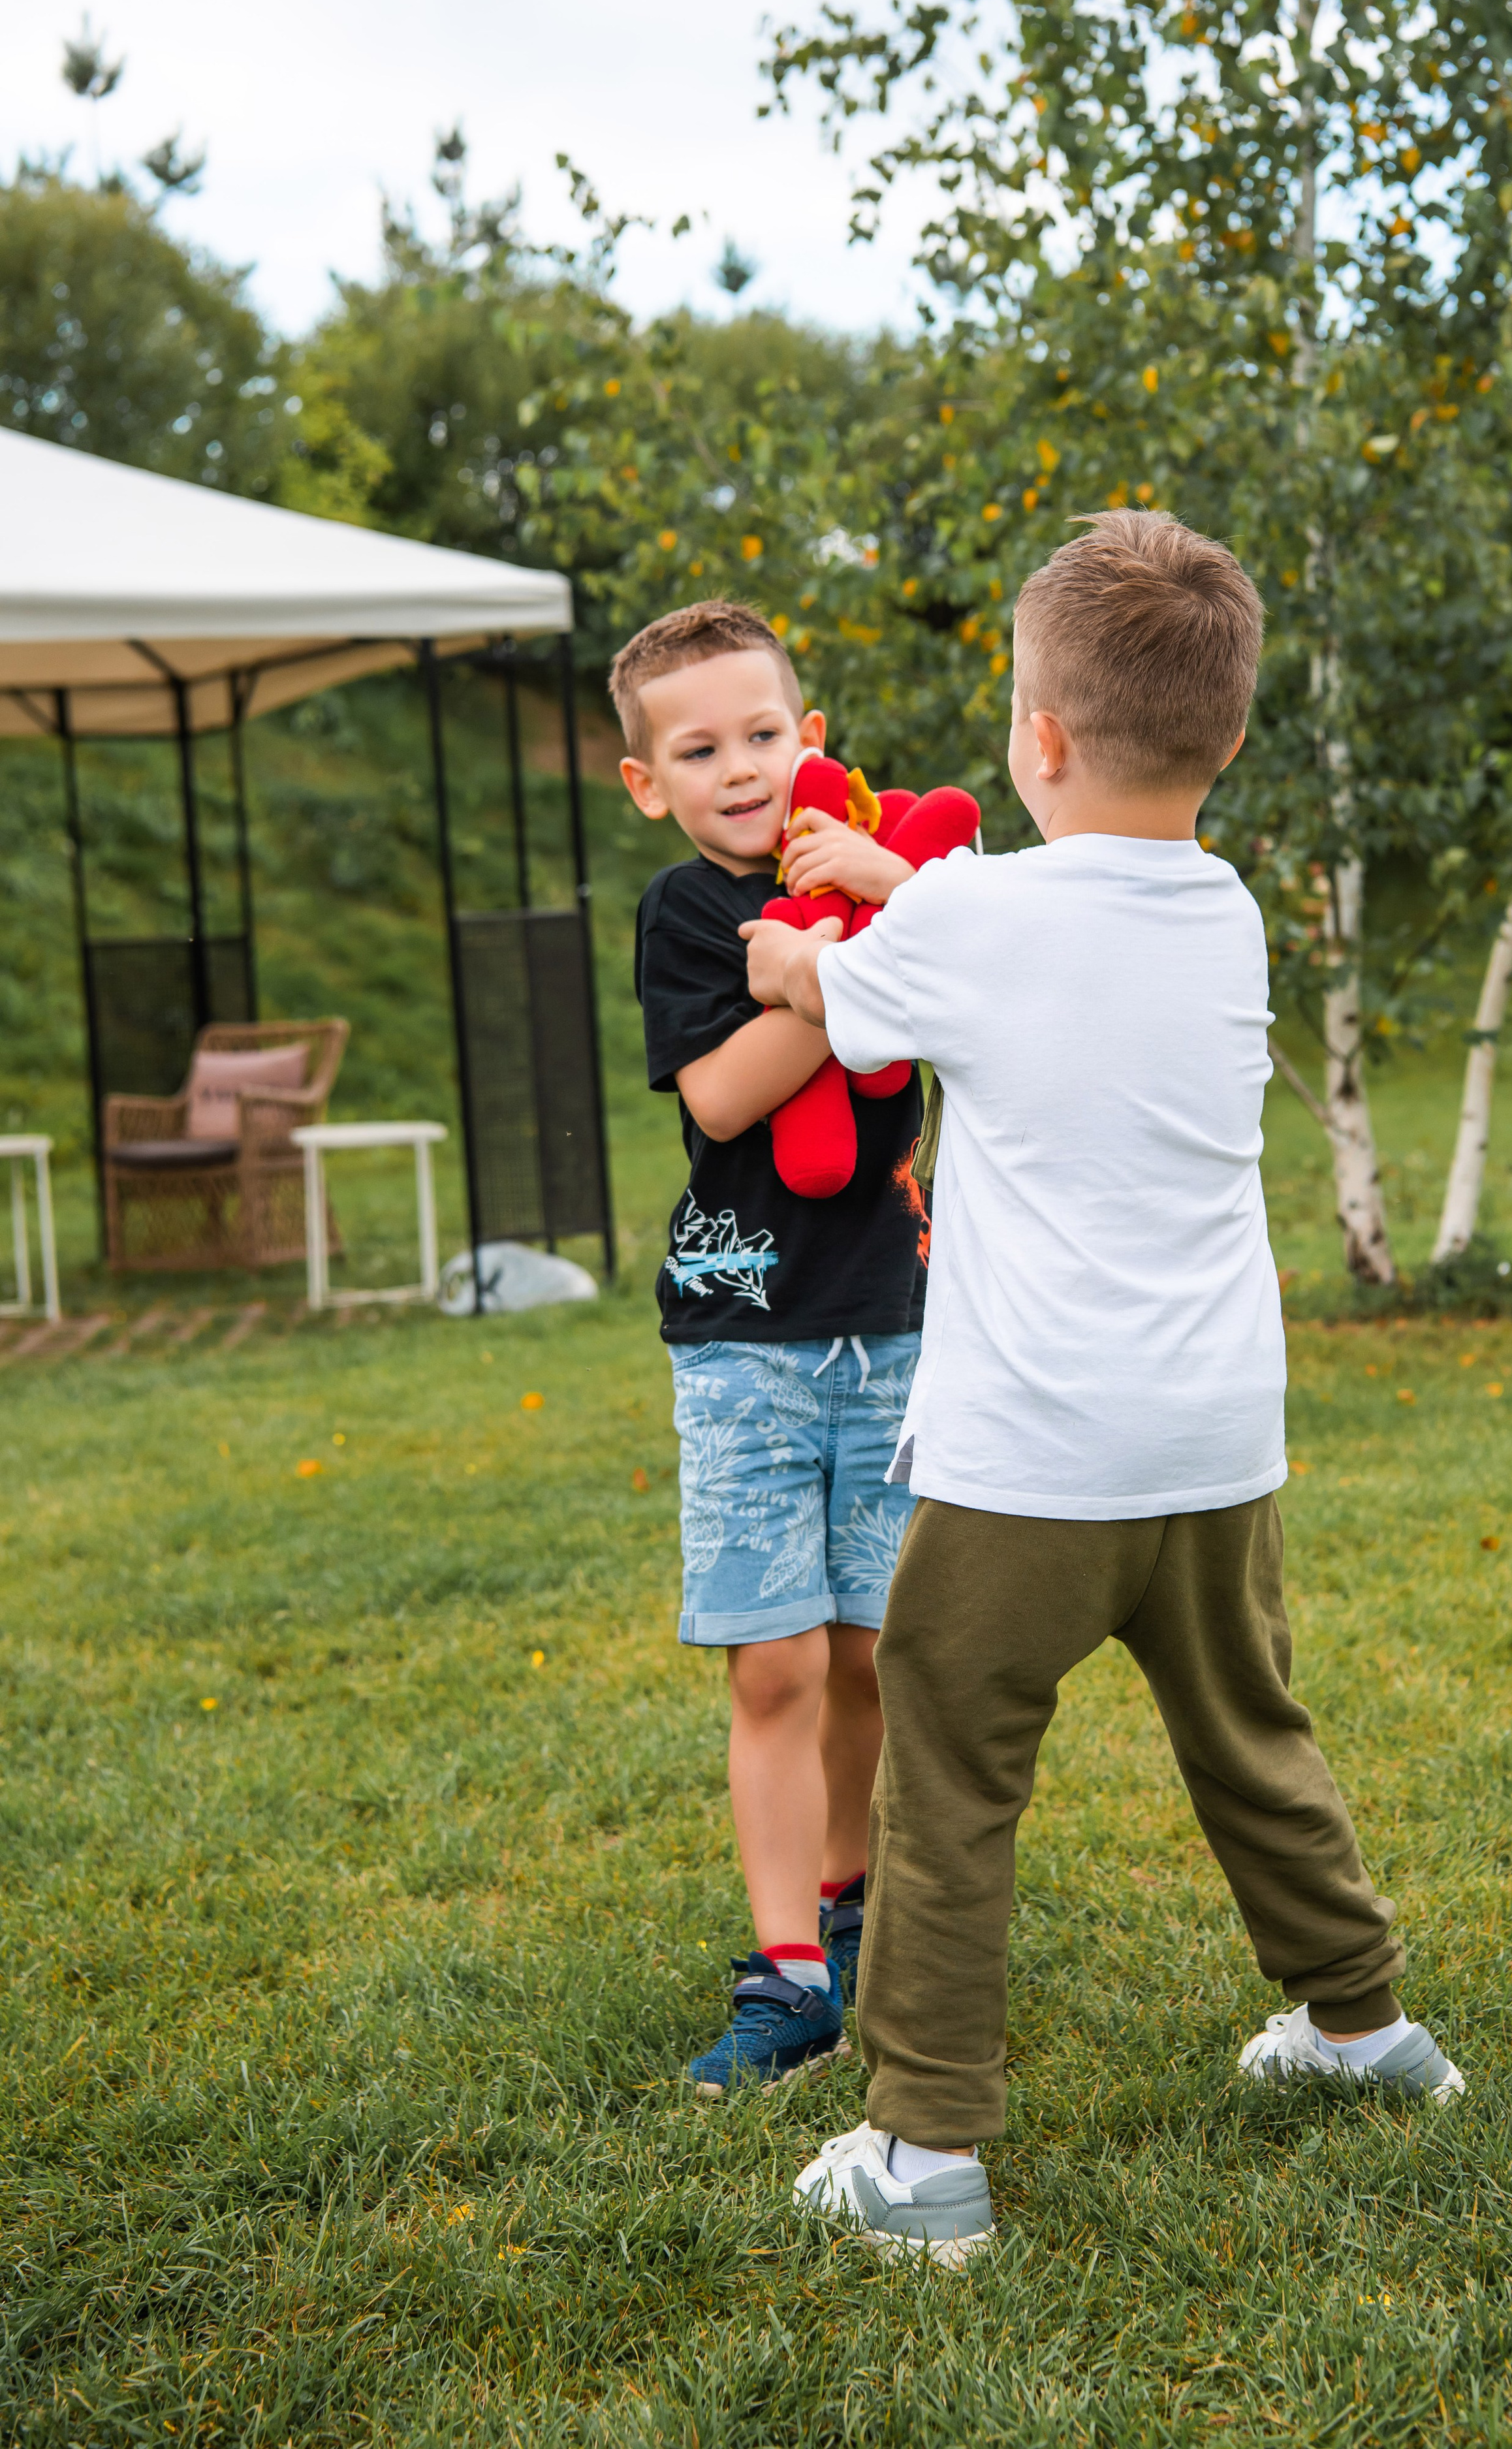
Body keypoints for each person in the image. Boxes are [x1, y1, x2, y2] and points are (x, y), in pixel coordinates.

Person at [741, 511, 1465, 2265]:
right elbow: (1010, 947)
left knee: (956, 1767)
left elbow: (827, 989)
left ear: (1038, 740)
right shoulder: (1221, 914)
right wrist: (912, 892)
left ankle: (922, 2147)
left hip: (1028, 1467)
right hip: (1214, 1444)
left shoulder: (975, 916)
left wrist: (792, 937)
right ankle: (1367, 2028)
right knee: (1252, 1731)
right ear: (1223, 739)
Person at [614, 598, 929, 2097]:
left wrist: (869, 919)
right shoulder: (685, 913)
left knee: (872, 1649)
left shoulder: (898, 882)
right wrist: (855, 960)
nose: (736, 768)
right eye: (697, 748)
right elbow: (730, 1099)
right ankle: (785, 1971)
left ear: (807, 743)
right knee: (775, 1662)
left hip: (895, 1328)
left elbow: (982, 998)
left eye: (759, 735)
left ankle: (851, 1906)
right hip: (742, 1340)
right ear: (647, 780)